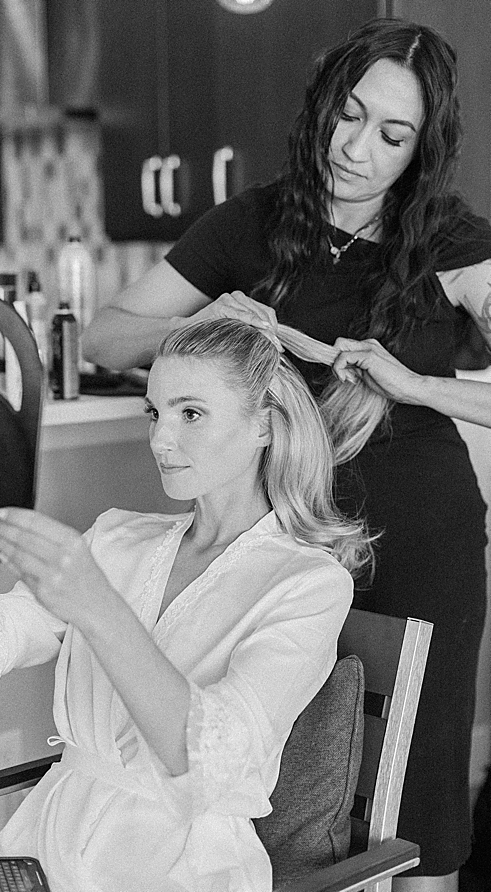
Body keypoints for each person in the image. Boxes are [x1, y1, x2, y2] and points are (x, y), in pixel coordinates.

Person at [83, 19, 491, 889]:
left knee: (415, 809)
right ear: (320, 110)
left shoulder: (452, 245)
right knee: (263, 782)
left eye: (392, 135)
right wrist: (207, 321)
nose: (357, 149)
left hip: (419, 537)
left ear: (422, 149)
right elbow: (107, 337)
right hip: (277, 538)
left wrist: (418, 387)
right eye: (347, 117)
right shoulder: (255, 222)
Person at [0, 318, 370, 892]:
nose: (160, 439)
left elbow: (207, 760)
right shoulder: (117, 538)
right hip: (49, 845)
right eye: (155, 412)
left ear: (265, 424)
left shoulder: (308, 584)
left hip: (181, 866)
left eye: (190, 413)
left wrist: (97, 606)